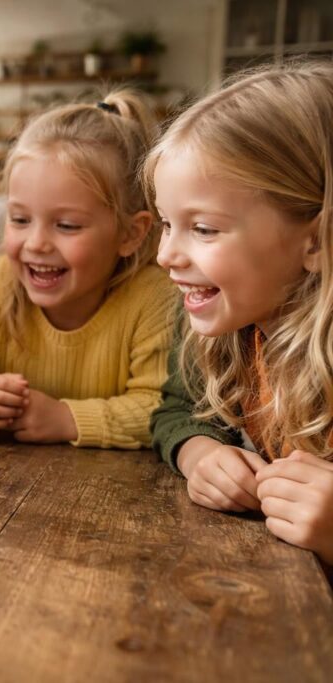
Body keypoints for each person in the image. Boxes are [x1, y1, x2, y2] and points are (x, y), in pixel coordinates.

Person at [150, 62, 333, 567]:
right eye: (167, 223)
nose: (166, 254)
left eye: (204, 229)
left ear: (315, 240)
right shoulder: (216, 317)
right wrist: (198, 453)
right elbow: (177, 408)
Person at [0, 92, 177, 449]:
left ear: (130, 234)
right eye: (19, 219)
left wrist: (67, 419)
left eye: (66, 225)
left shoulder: (154, 297)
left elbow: (164, 410)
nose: (36, 243)